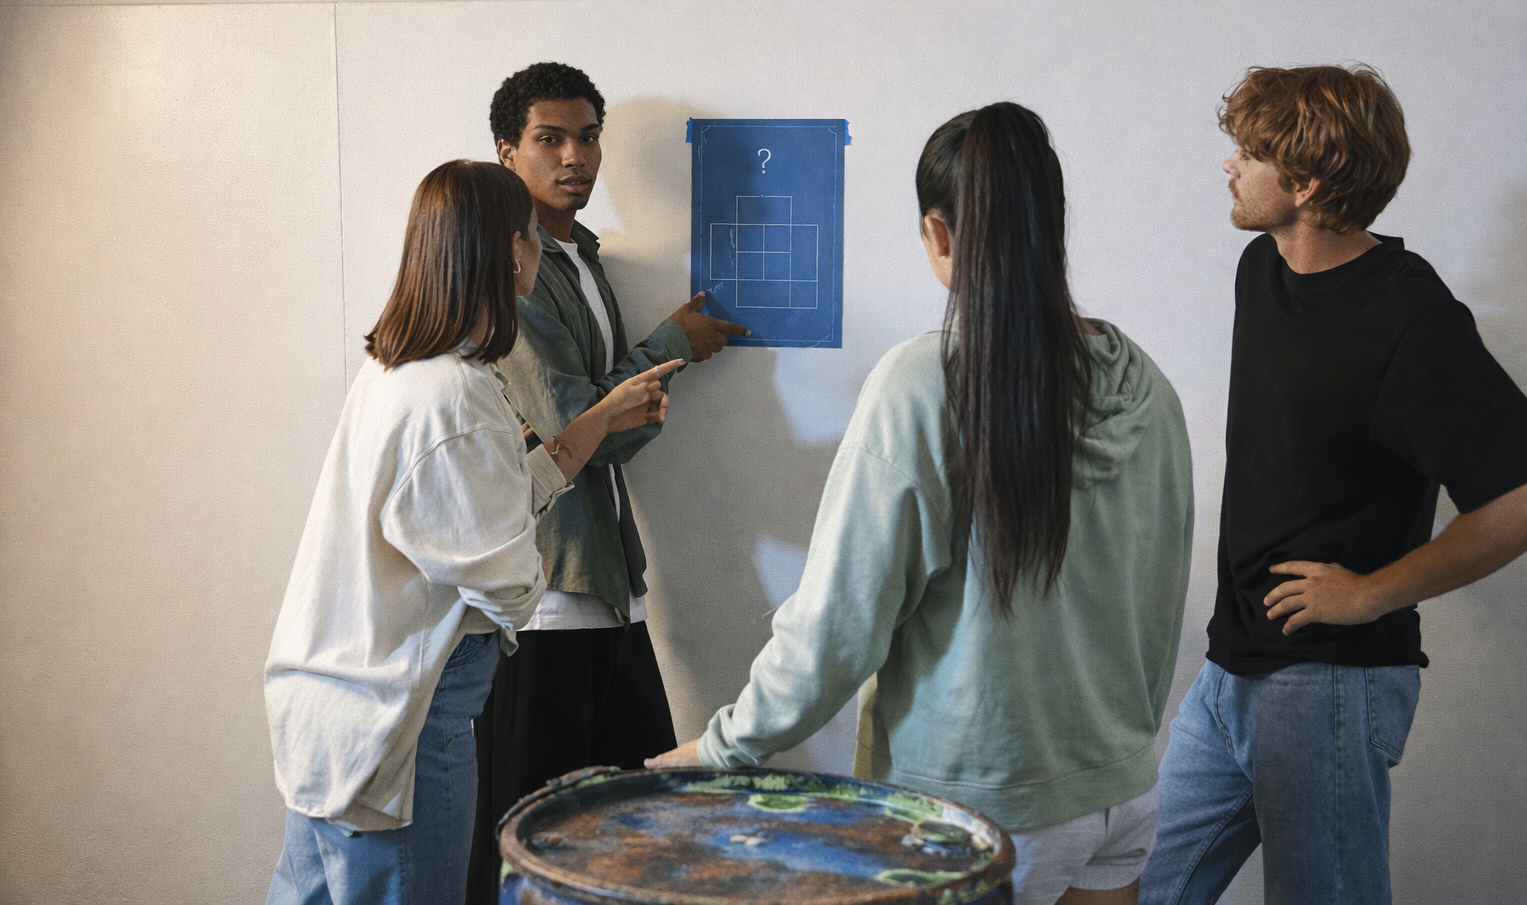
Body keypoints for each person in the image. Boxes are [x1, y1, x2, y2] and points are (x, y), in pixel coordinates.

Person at [649, 103, 1195, 905]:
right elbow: (1161, 589)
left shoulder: (924, 382)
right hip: (1121, 793)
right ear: (1053, 226)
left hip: (977, 808)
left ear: (938, 234)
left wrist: (726, 745)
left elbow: (841, 617)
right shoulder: (1141, 377)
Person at [1139, 65, 1527, 905]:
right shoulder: (1261, 269)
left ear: (1308, 184)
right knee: (1139, 887)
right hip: (1230, 671)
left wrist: (1371, 594)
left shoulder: (1410, 318)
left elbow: (1518, 499)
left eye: (1249, 153)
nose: (1229, 167)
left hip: (1330, 686)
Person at [263, 160, 680, 905]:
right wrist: (518, 530)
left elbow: (470, 502)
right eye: (529, 235)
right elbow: (510, 589)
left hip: (328, 712)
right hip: (407, 727)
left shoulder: (395, 370)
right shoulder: (458, 398)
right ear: (509, 250)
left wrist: (589, 425)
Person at [465, 63, 748, 903]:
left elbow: (604, 429)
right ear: (507, 152)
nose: (575, 157)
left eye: (588, 137)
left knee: (627, 827)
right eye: (549, 139)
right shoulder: (511, 270)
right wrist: (672, 344)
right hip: (546, 596)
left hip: (609, 584)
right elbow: (576, 431)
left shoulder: (583, 256)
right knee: (529, 843)